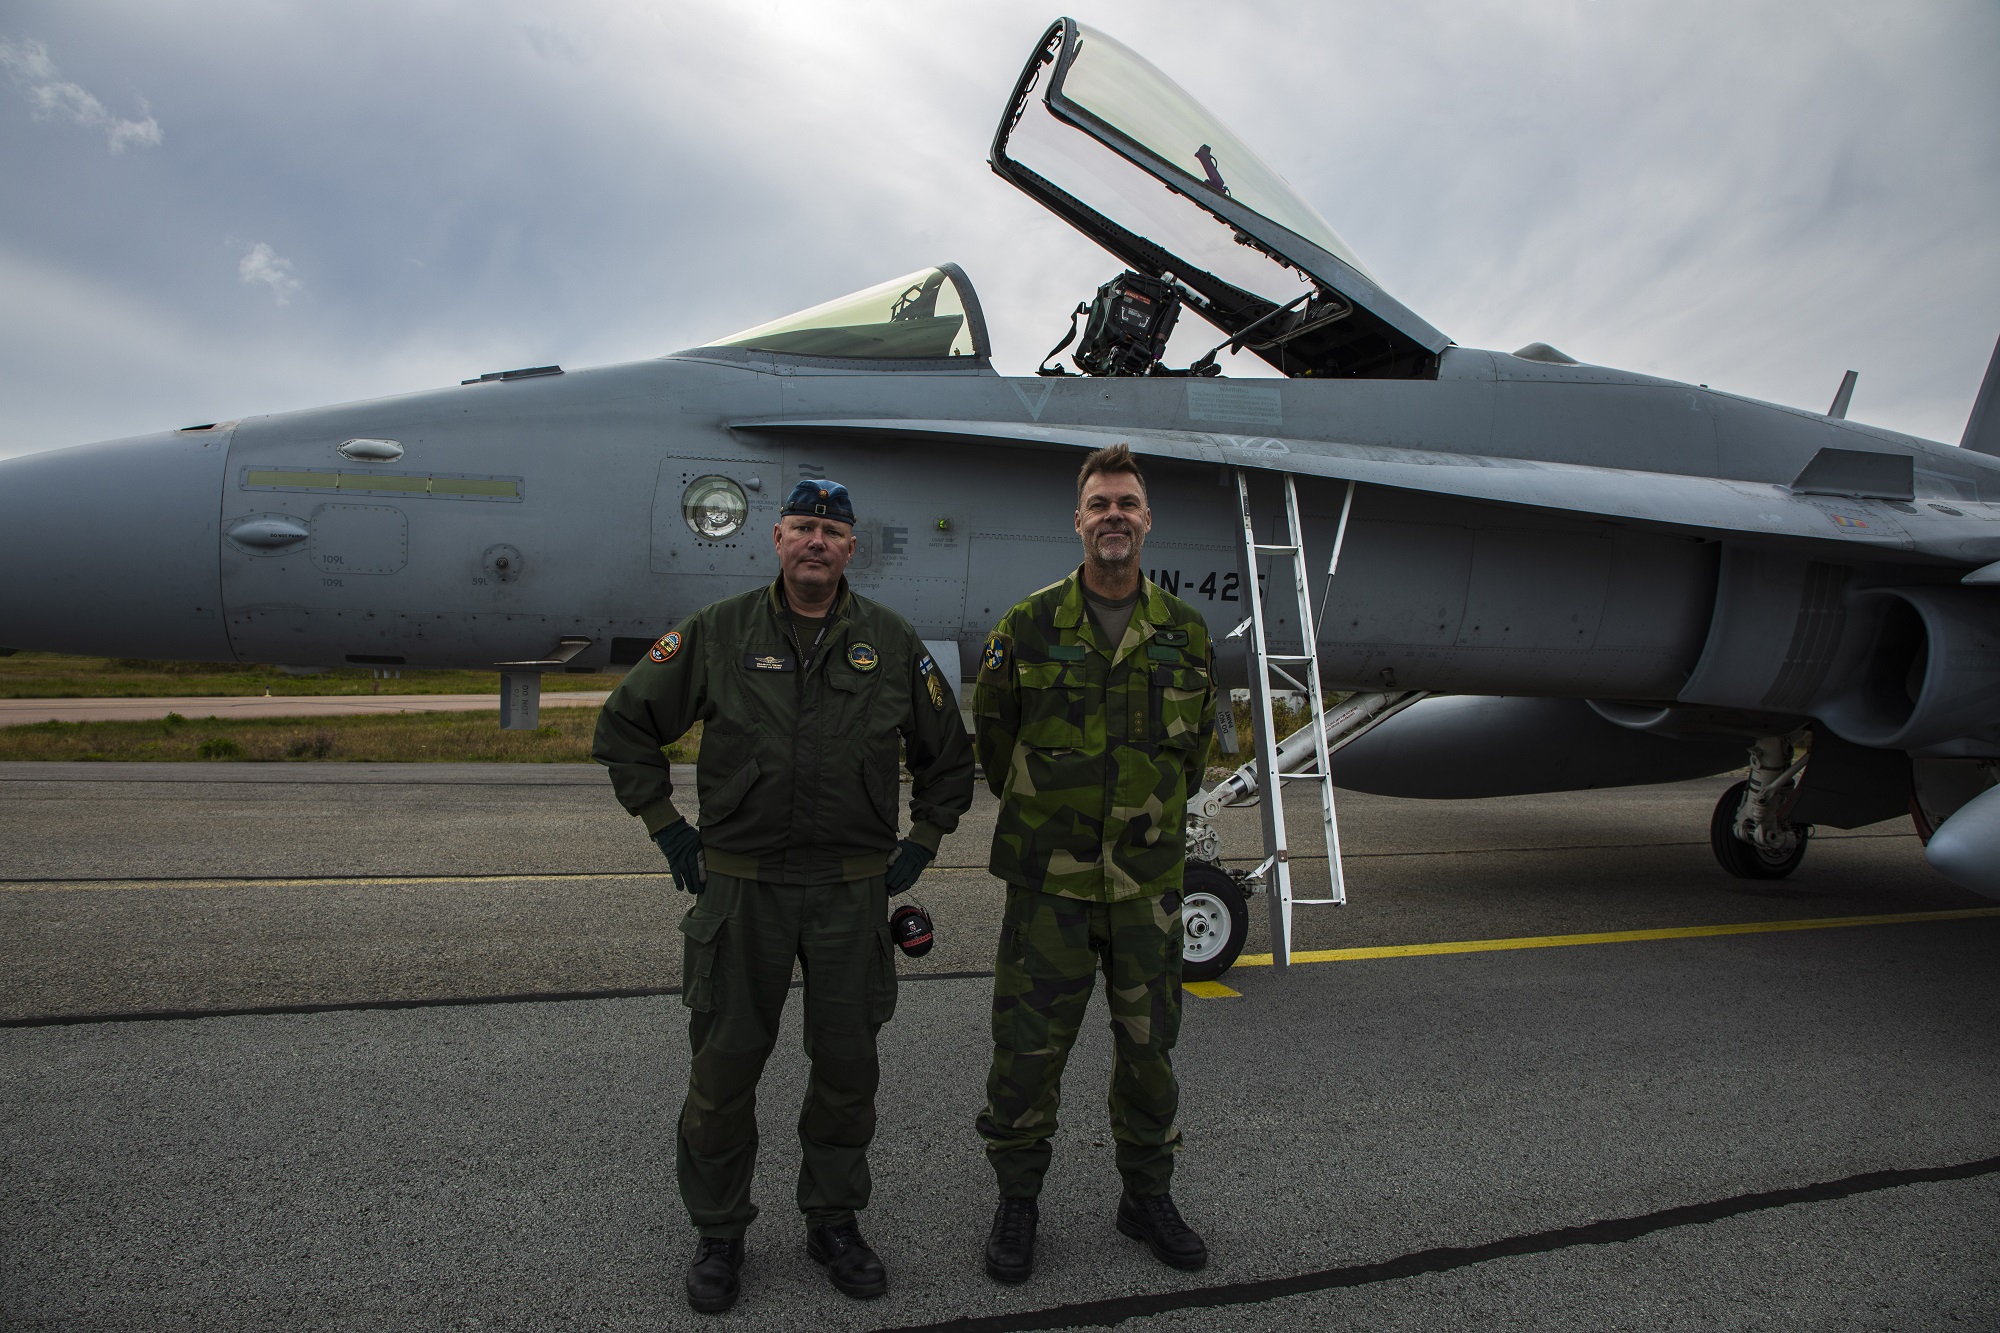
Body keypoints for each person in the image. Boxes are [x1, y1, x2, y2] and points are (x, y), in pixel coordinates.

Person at [593, 478, 974, 1315]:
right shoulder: (720, 632)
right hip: (741, 893)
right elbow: (624, 724)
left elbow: (949, 756)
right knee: (724, 1069)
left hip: (848, 897)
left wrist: (921, 844)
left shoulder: (889, 639)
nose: (816, 542)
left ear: (850, 547)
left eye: (832, 531)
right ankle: (720, 1232)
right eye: (802, 527)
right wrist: (667, 827)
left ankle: (833, 1220)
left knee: (846, 1069)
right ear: (775, 538)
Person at [971, 443, 1218, 1283]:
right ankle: (1017, 1201)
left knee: (1151, 1050)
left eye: (1129, 503)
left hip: (1146, 886)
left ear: (1147, 521)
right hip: (1050, 887)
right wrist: (1057, 821)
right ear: (1078, 521)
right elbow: (994, 740)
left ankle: (1146, 1196)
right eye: (1100, 503)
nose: (1114, 515)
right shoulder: (1028, 626)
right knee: (1028, 1053)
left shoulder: (1186, 633)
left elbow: (1193, 754)